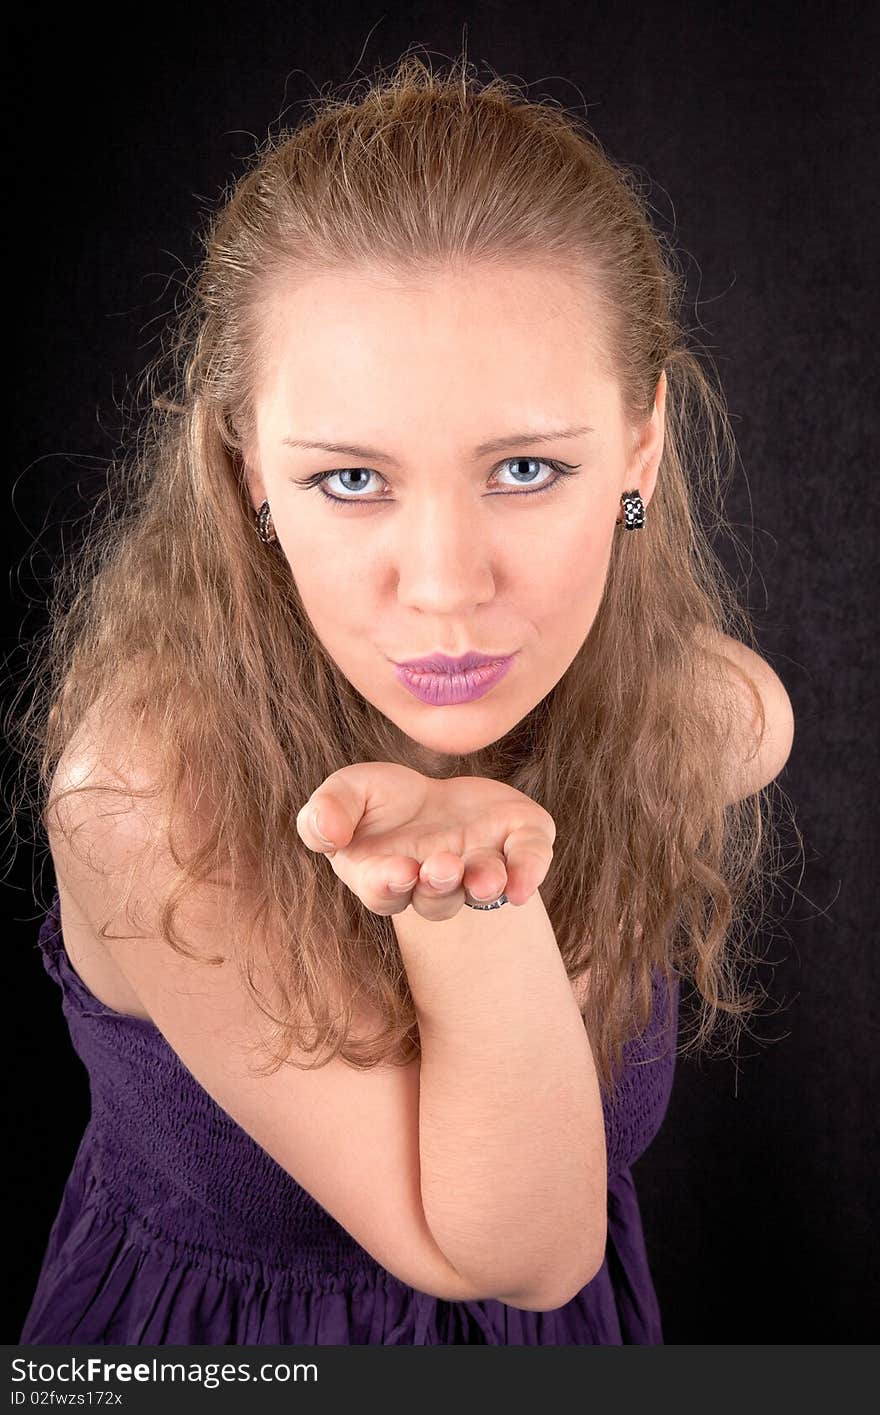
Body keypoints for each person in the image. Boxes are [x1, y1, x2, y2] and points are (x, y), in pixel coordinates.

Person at [15, 51, 794, 1346]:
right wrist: (465, 890)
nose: (443, 589)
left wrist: (591, 777)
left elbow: (747, 710)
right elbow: (526, 1254)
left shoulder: (626, 694)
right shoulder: (145, 799)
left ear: (639, 447)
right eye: (351, 480)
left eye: (528, 466)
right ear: (250, 473)